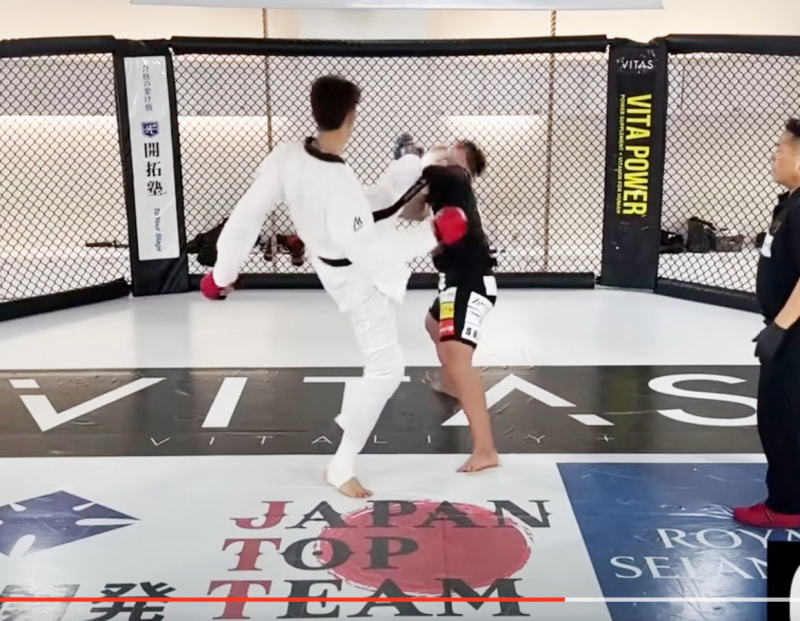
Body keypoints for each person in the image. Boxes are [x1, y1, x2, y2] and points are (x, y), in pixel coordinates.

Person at [198, 75, 469, 499]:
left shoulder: (288, 156)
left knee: (383, 199)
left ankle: (410, 161)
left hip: (330, 247)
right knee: (386, 369)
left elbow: (246, 217)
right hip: (353, 276)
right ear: (351, 117)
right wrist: (433, 233)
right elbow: (371, 253)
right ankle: (341, 465)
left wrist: (221, 274)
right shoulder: (339, 184)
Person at [734, 118, 800, 528]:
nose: (774, 155)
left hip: (794, 333)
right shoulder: (791, 202)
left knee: (783, 419)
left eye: (781, 148)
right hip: (788, 326)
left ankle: (788, 507)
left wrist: (782, 327)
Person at [422, 142, 500, 474]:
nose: (445, 150)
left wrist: (421, 158)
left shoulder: (455, 177)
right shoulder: (450, 191)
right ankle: (451, 384)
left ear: (464, 159)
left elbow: (431, 172)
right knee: (432, 324)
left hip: (471, 283)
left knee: (458, 358)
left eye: (452, 149)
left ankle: (486, 450)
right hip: (456, 283)